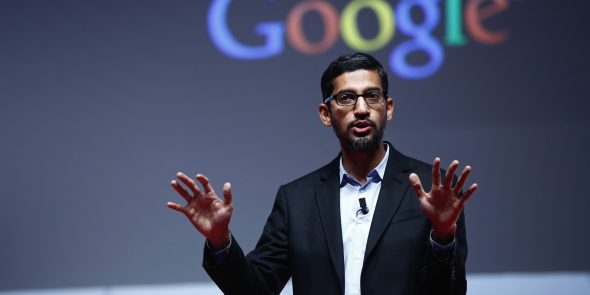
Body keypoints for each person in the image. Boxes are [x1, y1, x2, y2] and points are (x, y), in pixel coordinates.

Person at [167, 52, 478, 295]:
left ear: (389, 107)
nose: (361, 108)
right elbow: (255, 291)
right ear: (326, 114)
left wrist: (443, 236)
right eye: (346, 98)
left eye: (372, 96)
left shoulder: (432, 192)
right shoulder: (297, 200)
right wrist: (221, 242)